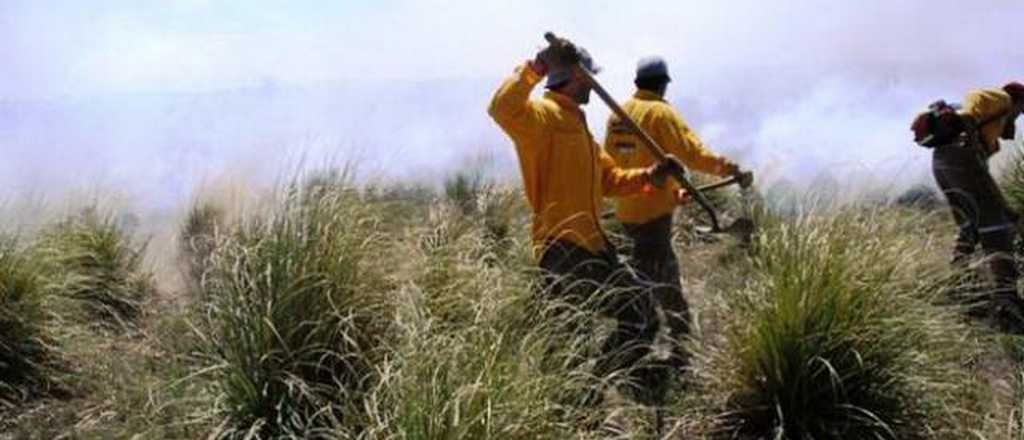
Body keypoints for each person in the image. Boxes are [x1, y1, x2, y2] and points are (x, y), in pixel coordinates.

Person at [487, 40, 687, 405]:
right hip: (563, 248)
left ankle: (596, 384)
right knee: (572, 334)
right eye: (590, 79)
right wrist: (538, 65)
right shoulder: (543, 118)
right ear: (577, 78)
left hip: (595, 246)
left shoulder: (579, 128)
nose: (594, 86)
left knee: (640, 310)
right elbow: (502, 108)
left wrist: (652, 175)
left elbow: (609, 180)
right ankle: (579, 401)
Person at [603, 56, 750, 365]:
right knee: (665, 284)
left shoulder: (619, 114)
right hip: (652, 216)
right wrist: (728, 168)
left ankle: (633, 340)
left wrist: (673, 192)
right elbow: (693, 154)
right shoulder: (660, 113)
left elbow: (615, 163)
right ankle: (678, 352)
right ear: (663, 83)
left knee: (642, 273)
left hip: (627, 209)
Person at [930, 82, 1024, 331]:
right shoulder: (1000, 98)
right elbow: (970, 111)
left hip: (942, 162)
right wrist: (1003, 207)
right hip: (961, 158)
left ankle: (958, 284)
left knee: (969, 225)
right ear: (1018, 100)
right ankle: (1007, 301)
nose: (1020, 115)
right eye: (1022, 109)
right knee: (998, 224)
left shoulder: (993, 127)